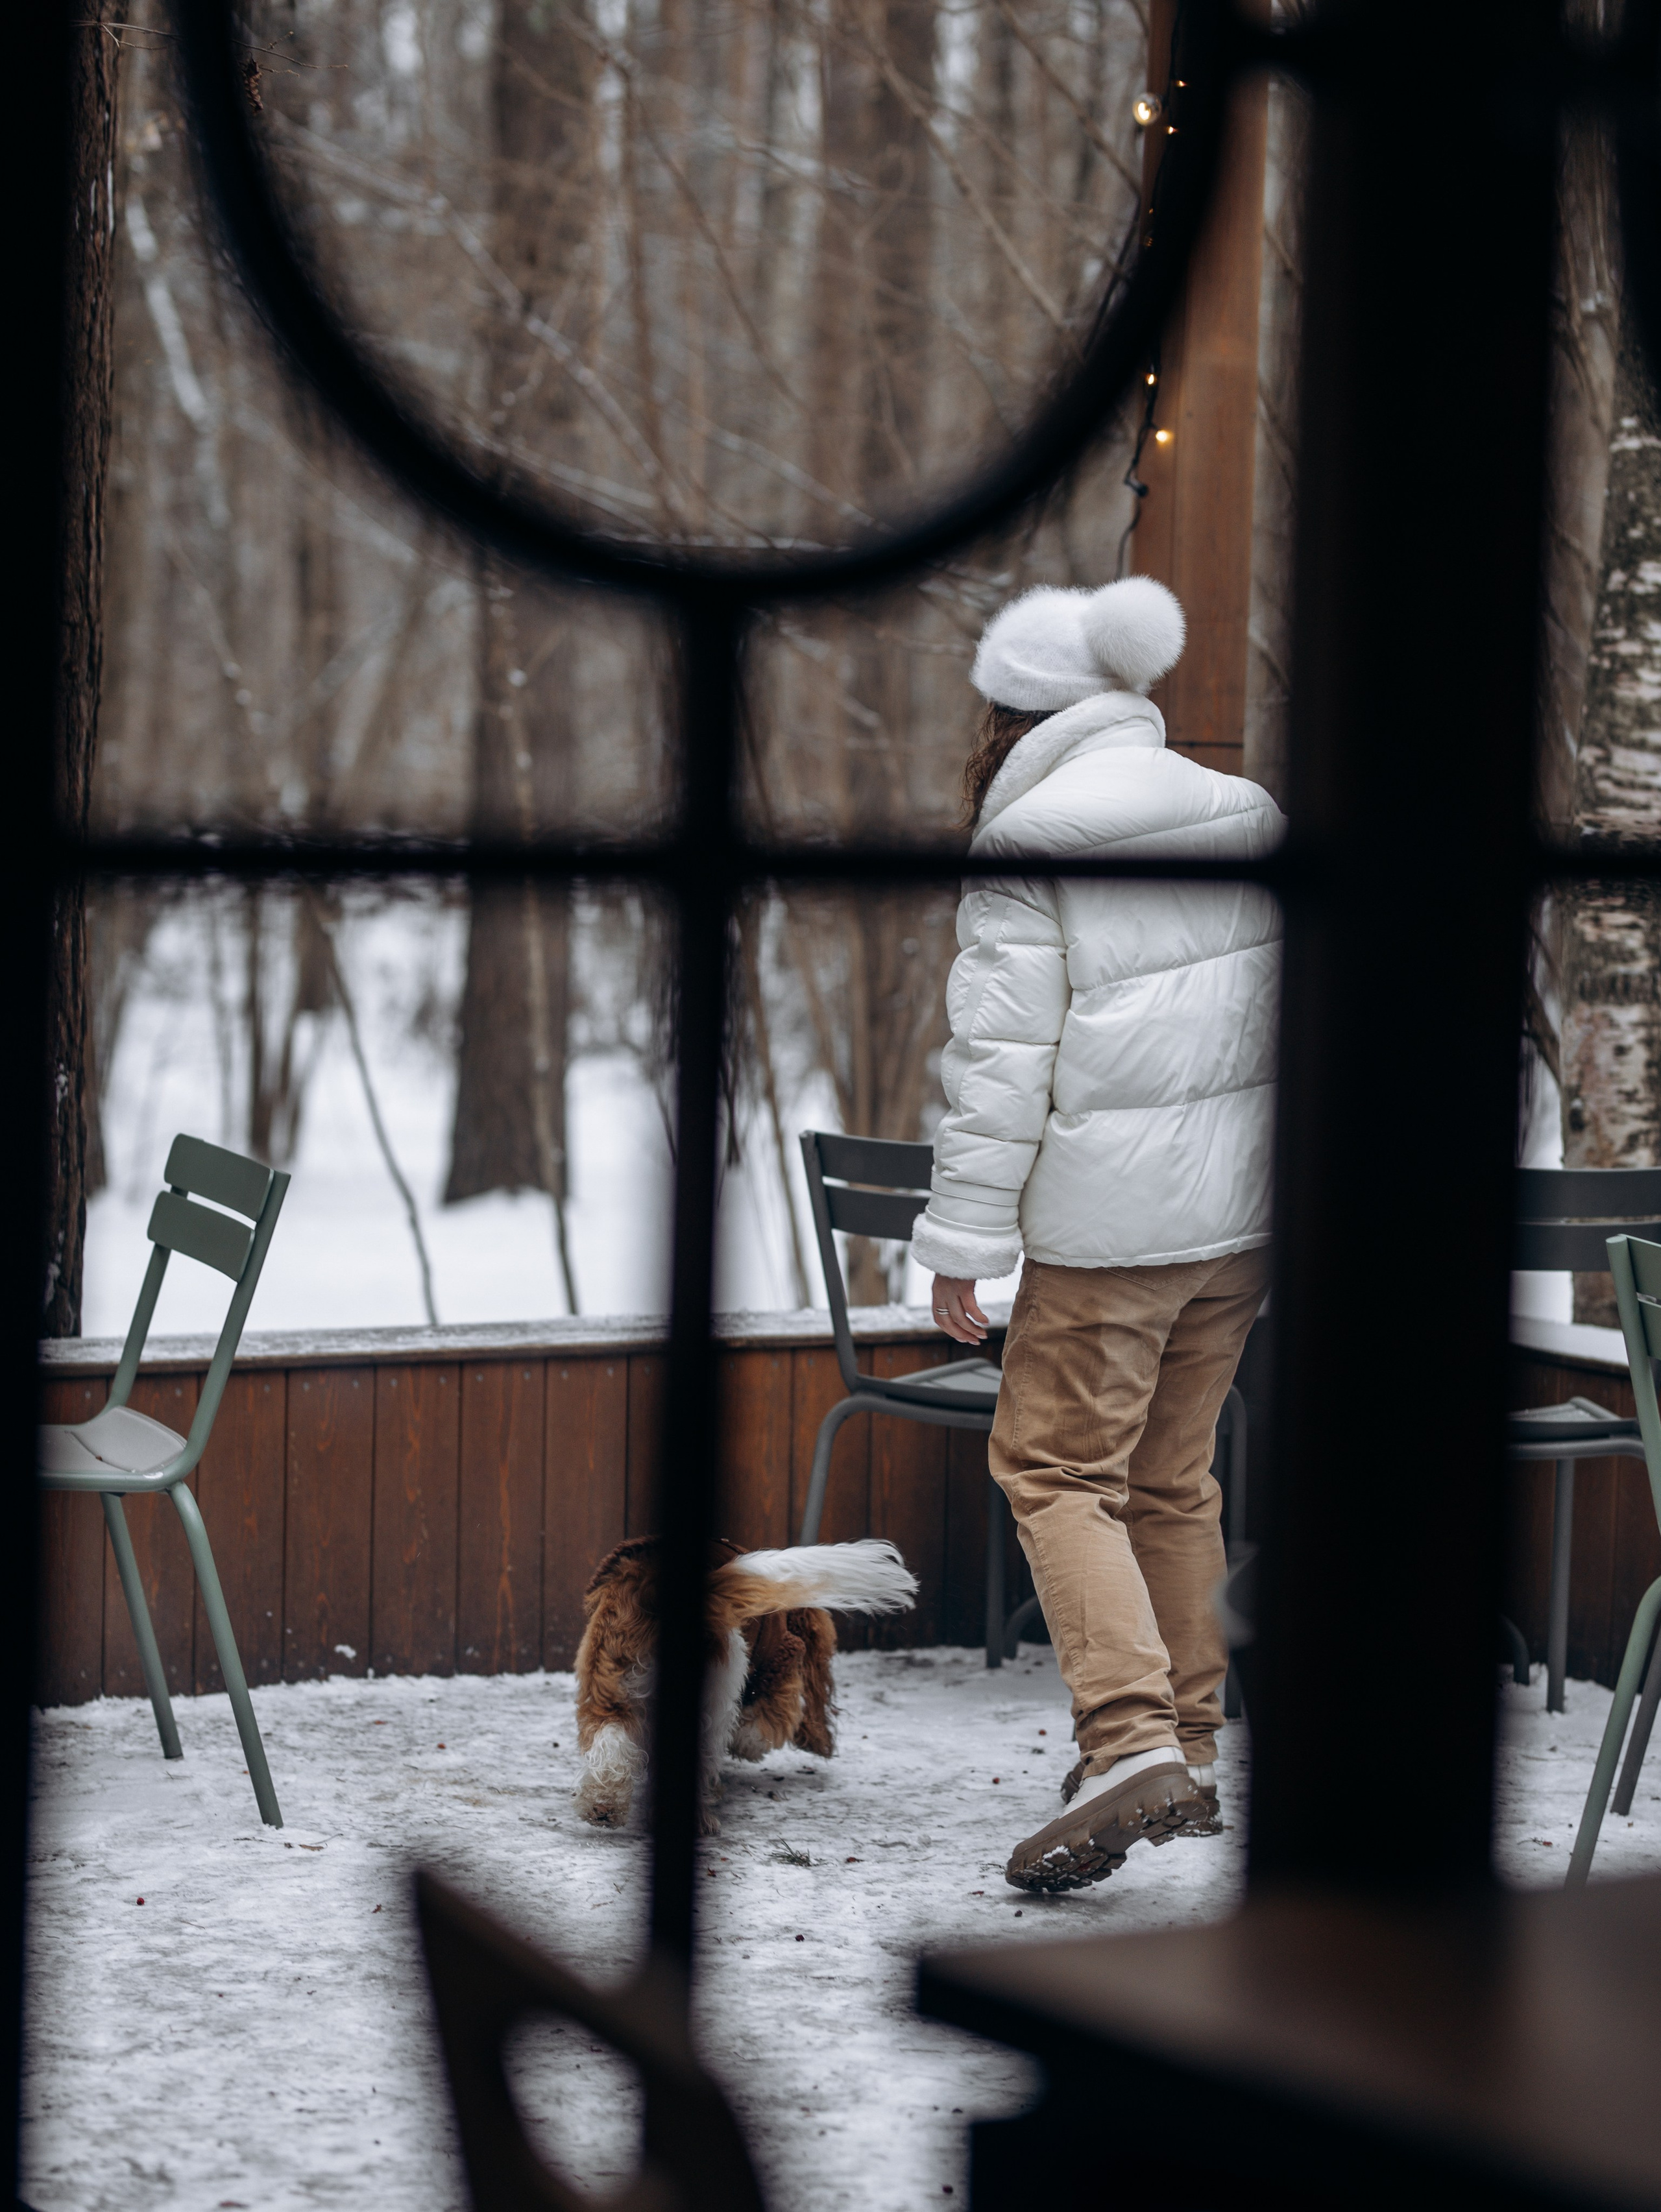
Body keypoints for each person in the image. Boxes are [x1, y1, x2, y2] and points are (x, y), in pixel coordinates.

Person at [910, 575, 1284, 1893]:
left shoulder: (1032, 836)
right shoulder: (1240, 809)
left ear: (1013, 714)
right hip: (1232, 1225)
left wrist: (958, 1238)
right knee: (1170, 1479)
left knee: (1056, 1469)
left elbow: (998, 1066)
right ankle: (1186, 1739)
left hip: (1107, 1233)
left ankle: (1124, 1737)